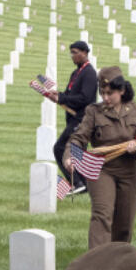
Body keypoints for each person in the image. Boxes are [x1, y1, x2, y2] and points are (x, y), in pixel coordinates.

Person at [64, 67, 136, 249]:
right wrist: (71, 156)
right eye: (102, 93)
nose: (105, 98)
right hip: (101, 169)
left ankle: (116, 262)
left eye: (110, 93)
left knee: (125, 223)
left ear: (122, 90)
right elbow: (79, 137)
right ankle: (97, 264)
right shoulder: (93, 112)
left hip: (128, 172)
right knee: (102, 214)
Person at [46, 40, 97, 194]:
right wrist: (58, 95)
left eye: (75, 52)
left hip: (82, 118)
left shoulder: (89, 73)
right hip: (73, 118)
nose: (72, 56)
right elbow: (70, 95)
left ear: (85, 53)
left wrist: (62, 98)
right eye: (71, 53)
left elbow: (85, 98)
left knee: (60, 148)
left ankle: (77, 182)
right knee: (76, 151)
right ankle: (83, 185)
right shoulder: (76, 73)